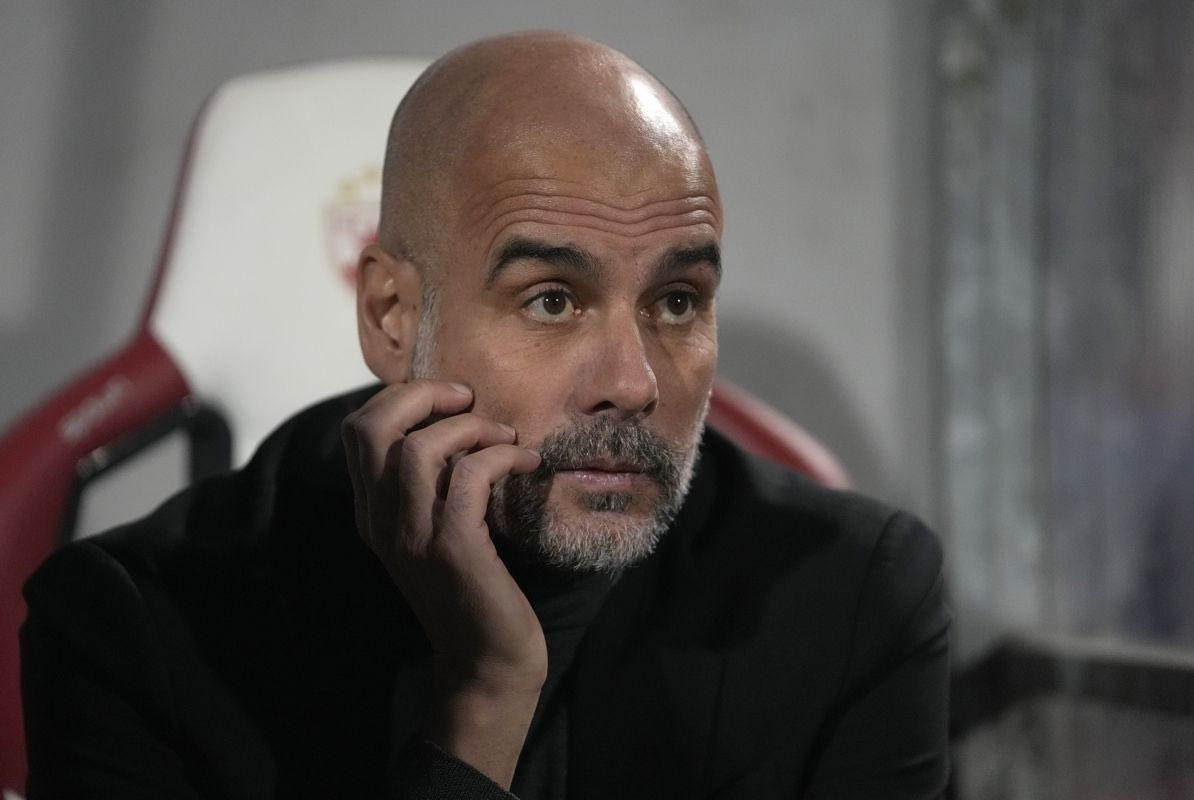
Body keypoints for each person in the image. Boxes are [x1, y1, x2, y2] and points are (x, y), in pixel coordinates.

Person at [20, 31, 949, 799]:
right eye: (552, 300)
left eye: (676, 302)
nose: (634, 383)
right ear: (391, 316)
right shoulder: (134, 634)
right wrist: (484, 703)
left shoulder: (851, 597)